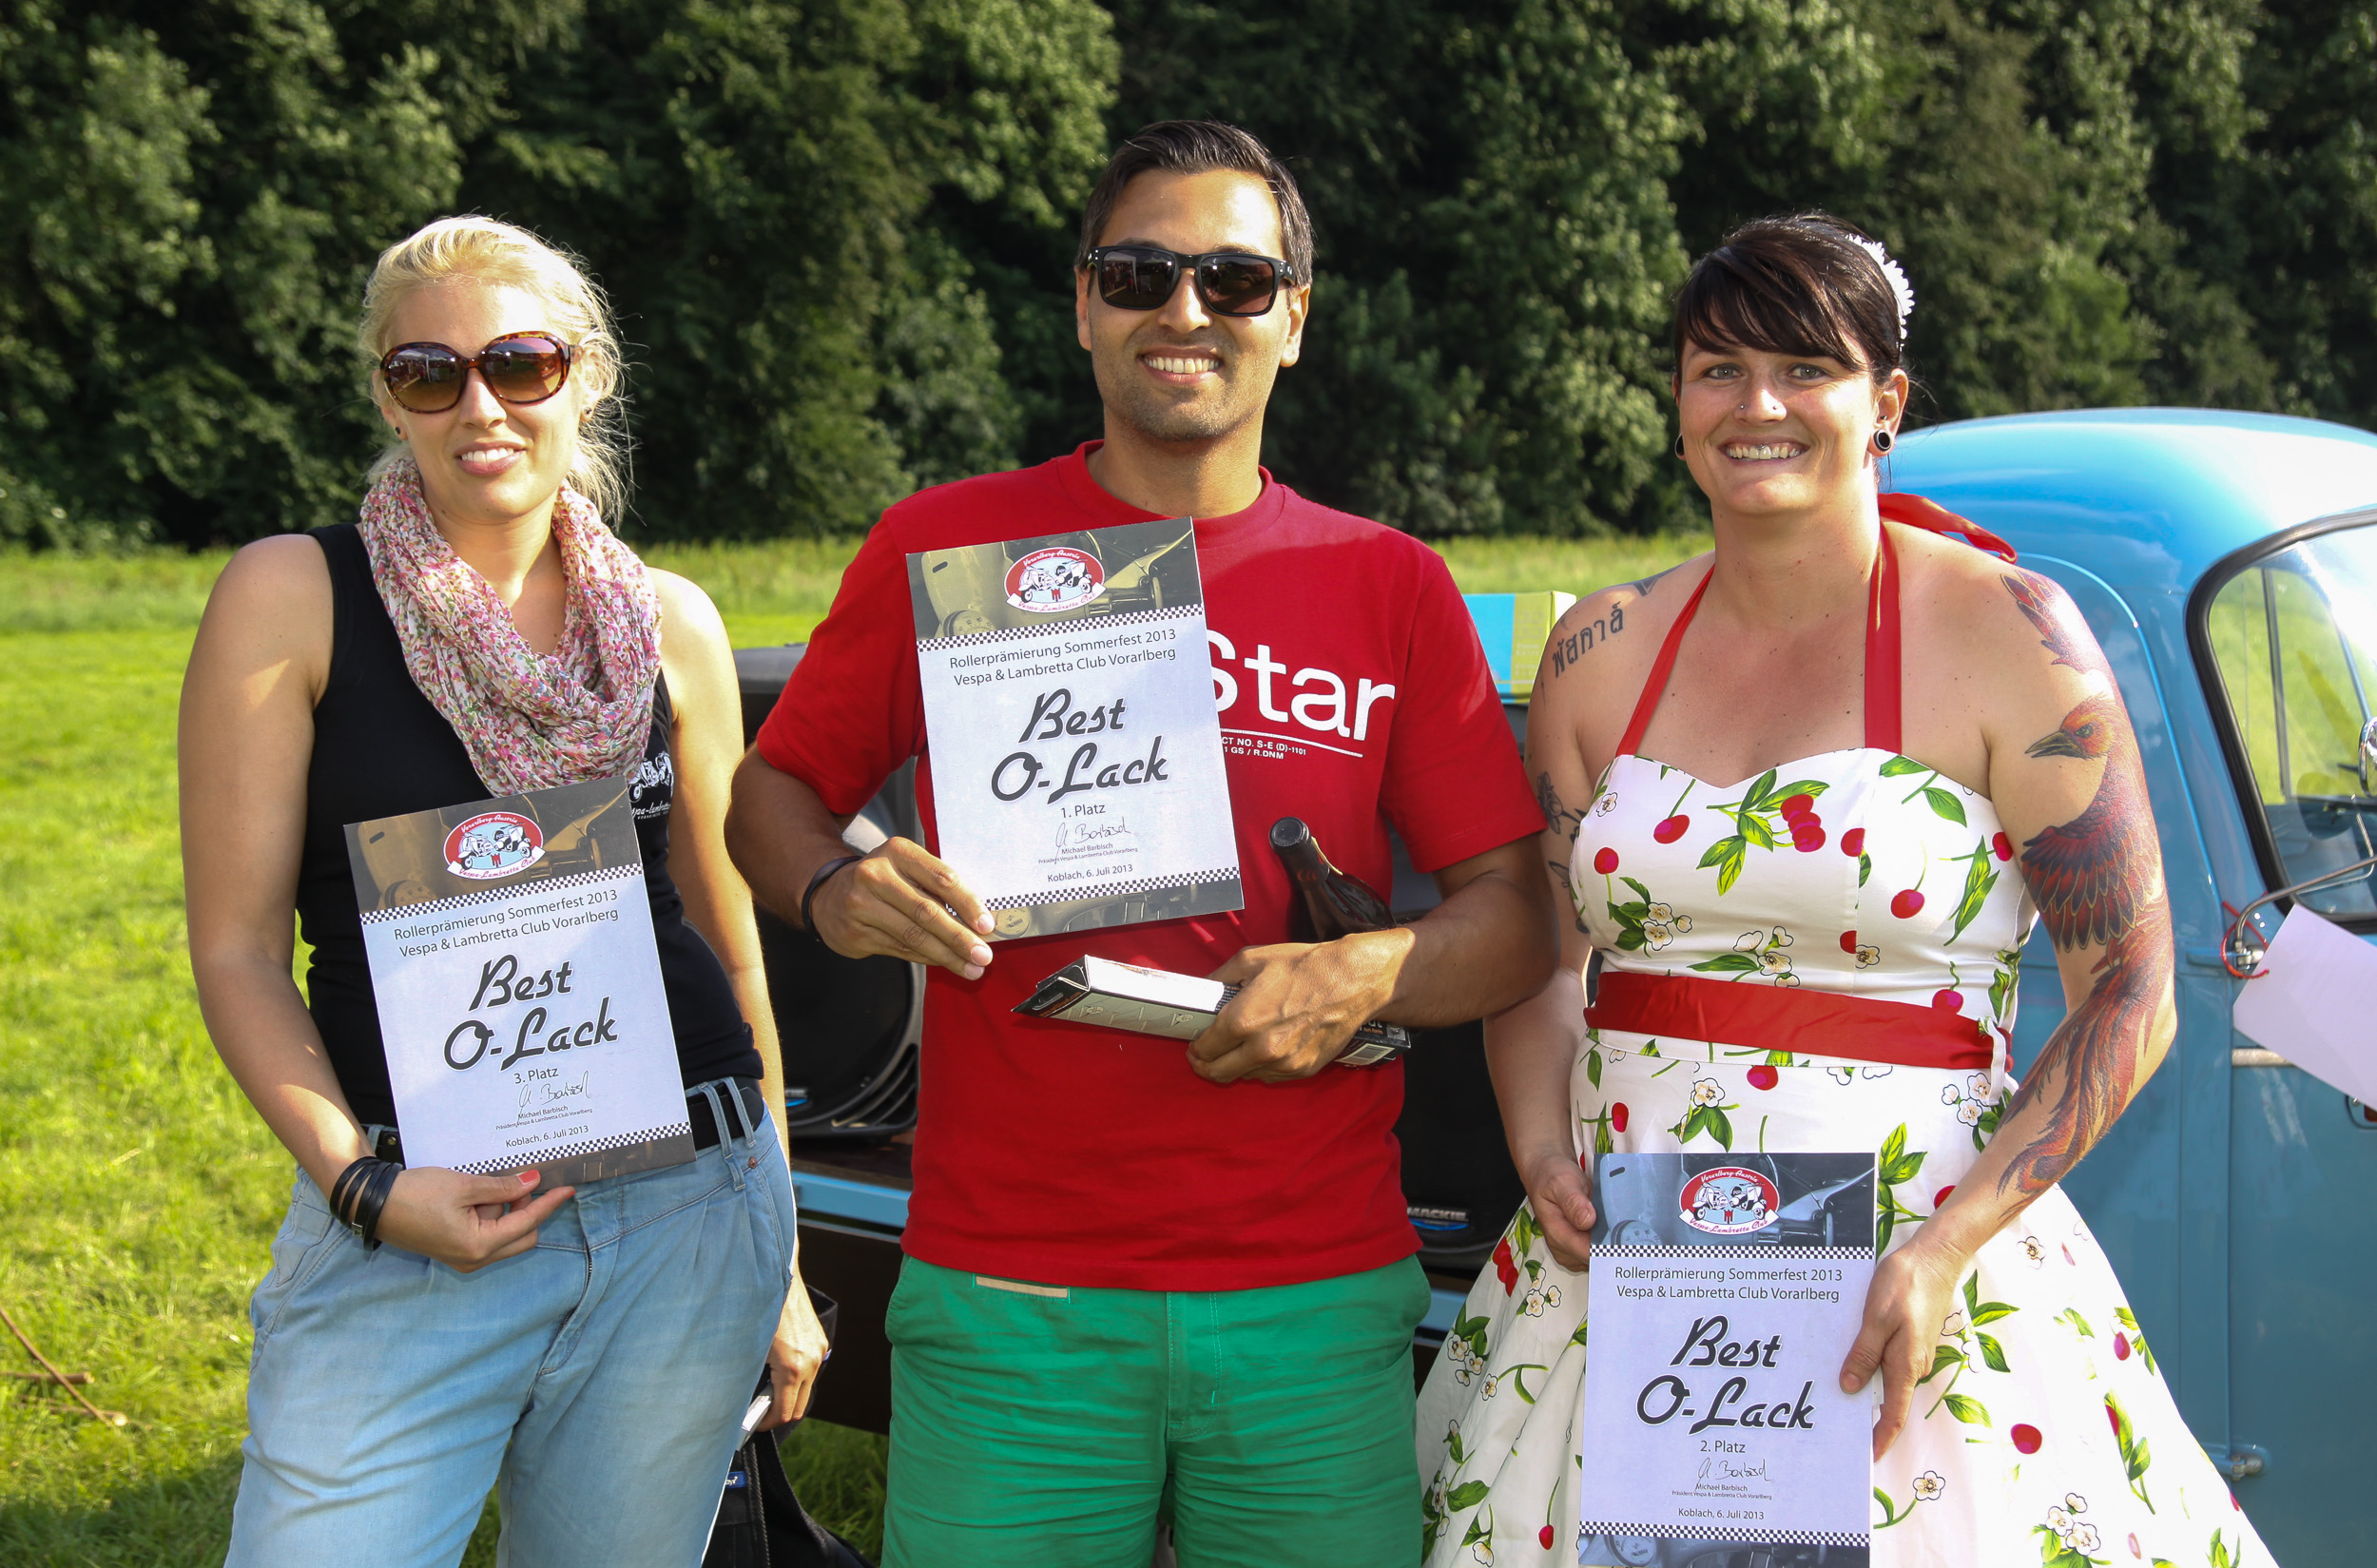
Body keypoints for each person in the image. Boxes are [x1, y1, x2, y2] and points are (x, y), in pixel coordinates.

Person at [726, 120, 1555, 1567]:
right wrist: (834, 883)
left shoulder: (1389, 584)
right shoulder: (947, 549)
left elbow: (1514, 919)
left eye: (1234, 280)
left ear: (1294, 319)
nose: (1185, 310)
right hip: (1012, 1294)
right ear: (1084, 304)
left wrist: (1363, 972)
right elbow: (770, 795)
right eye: (1139, 273)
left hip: (1310, 1295)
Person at [1417, 214, 2274, 1567]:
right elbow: (1546, 957)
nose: (1756, 406)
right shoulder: (1599, 647)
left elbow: (2135, 990)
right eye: (1718, 369)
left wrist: (1946, 1250)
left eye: (1803, 369)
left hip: (1915, 1268)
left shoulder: (2009, 633)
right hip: (1630, 1279)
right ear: (1678, 405)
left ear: (1885, 402)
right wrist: (1539, 1153)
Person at [181, 215, 828, 1567]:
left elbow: (732, 950)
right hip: (414, 1211)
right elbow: (237, 951)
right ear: (388, 396)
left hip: (689, 1212)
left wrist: (780, 1257)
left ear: (586, 377)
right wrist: (362, 1188)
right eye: (430, 373)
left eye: (519, 364)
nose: (480, 405)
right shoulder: (293, 596)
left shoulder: (672, 621)